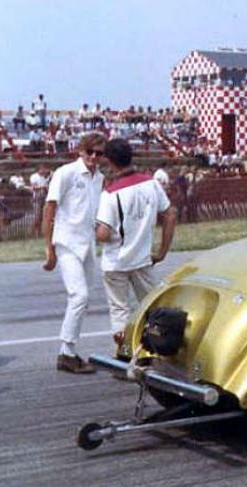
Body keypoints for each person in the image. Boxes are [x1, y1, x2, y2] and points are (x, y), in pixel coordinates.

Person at [95, 139, 177, 344]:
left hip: (116, 261)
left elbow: (103, 234)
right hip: (142, 258)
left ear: (109, 161)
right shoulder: (151, 183)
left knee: (120, 311)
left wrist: (94, 228)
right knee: (153, 307)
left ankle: (124, 354)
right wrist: (162, 251)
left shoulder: (110, 193)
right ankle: (154, 348)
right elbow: (170, 215)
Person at [43, 132, 106, 373]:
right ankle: (67, 353)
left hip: (87, 244)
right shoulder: (65, 173)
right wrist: (49, 249)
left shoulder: (99, 177)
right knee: (78, 296)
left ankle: (68, 352)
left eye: (98, 153)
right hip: (66, 243)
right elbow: (49, 209)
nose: (93, 157)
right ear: (80, 151)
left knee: (84, 298)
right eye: (89, 152)